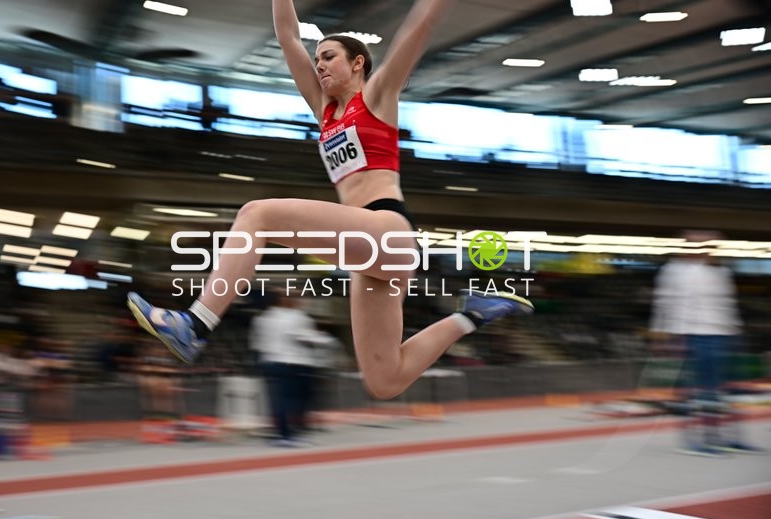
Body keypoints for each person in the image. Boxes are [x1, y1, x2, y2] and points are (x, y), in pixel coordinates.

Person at [127, 0, 533, 400]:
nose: (318, 65)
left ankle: (195, 324)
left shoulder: (377, 95)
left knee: (257, 215)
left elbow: (418, 27)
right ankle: (473, 314)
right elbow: (287, 35)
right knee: (384, 380)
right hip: (366, 251)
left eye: (328, 57)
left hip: (387, 229)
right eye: (316, 58)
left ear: (357, 63)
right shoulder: (325, 111)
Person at [650, 229, 759, 455]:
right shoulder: (674, 271)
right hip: (691, 334)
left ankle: (729, 437)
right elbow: (664, 302)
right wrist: (660, 334)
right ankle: (699, 439)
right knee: (701, 390)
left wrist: (735, 331)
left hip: (722, 333)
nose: (709, 251)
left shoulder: (721, 272)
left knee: (725, 391)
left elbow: (727, 304)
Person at [250, 292, 332, 445]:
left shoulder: (262, 319)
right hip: (293, 362)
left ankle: (281, 431)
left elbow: (256, 343)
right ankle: (289, 433)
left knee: (278, 400)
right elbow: (303, 337)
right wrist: (324, 339)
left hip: (269, 361)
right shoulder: (297, 317)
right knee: (293, 399)